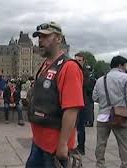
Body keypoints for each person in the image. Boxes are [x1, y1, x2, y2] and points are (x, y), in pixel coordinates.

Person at [26, 22, 84, 168]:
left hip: (54, 146)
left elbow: (71, 109)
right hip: (38, 142)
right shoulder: (45, 65)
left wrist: (63, 144)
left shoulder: (69, 67)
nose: (40, 40)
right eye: (39, 37)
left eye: (45, 36)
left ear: (58, 39)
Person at [92, 55, 127, 168]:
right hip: (120, 116)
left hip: (102, 115)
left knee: (100, 144)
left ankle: (100, 165)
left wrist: (105, 102)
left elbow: (95, 98)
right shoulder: (125, 78)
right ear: (120, 65)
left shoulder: (100, 79)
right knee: (124, 144)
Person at [74, 52, 96, 155]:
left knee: (80, 127)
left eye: (79, 60)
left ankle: (81, 147)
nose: (77, 63)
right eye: (76, 60)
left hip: (82, 103)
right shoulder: (74, 71)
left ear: (83, 61)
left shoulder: (85, 73)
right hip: (74, 102)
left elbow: (87, 87)